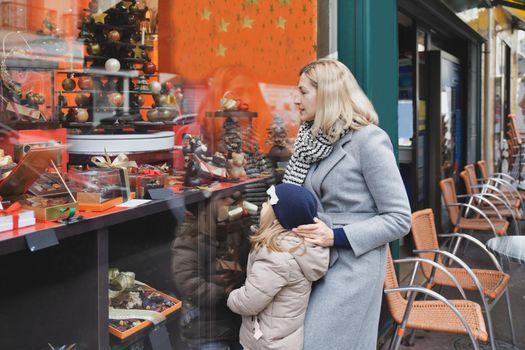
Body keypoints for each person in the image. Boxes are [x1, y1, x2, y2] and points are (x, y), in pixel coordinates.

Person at [286, 58, 411, 349]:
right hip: (313, 262)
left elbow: (399, 218)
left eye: (303, 92)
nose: (296, 100)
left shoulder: (369, 140)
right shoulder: (311, 142)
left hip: (352, 268)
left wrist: (337, 236)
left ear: (328, 93)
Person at [227, 183, 329, 350]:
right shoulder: (301, 248)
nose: (263, 204)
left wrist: (230, 296)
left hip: (264, 344)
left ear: (278, 217)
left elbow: (249, 302)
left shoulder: (275, 257)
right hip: (285, 340)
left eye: (268, 202)